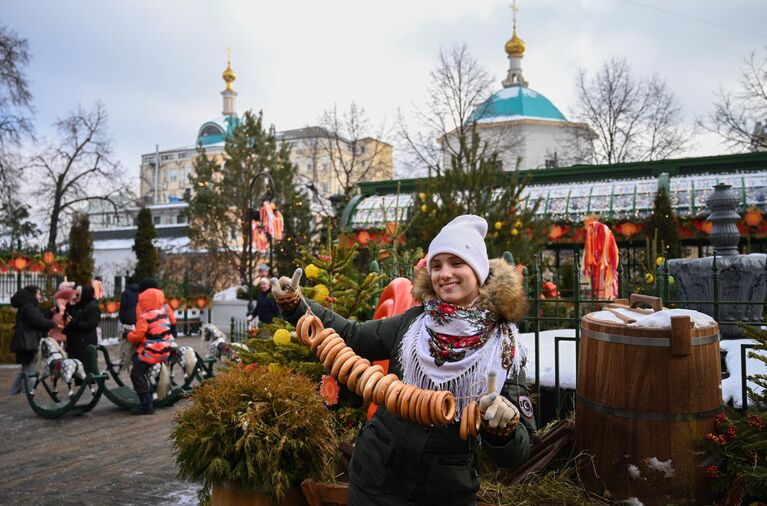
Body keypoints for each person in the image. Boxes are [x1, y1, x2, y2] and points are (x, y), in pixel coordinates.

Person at [272, 215, 535, 506]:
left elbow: (516, 454)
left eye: (456, 263)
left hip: (444, 492)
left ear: (479, 270)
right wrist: (296, 306)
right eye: (436, 265)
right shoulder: (414, 323)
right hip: (376, 479)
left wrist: (504, 431)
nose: (444, 274)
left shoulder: (505, 347)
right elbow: (352, 335)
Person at [127, 286, 175, 415]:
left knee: (136, 373)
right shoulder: (163, 314)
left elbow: (138, 336)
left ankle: (146, 404)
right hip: (165, 351)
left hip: (151, 353)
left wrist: (129, 335)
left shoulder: (145, 317)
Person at [9, 285, 57, 395]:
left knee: (25, 370)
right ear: (33, 295)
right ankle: (28, 395)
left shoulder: (27, 307)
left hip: (26, 344)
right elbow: (38, 322)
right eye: (38, 294)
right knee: (31, 371)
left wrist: (49, 313)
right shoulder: (29, 307)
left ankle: (13, 393)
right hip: (30, 344)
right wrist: (53, 324)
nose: (40, 296)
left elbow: (37, 318)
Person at [62, 285, 101, 376]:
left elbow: (91, 325)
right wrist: (69, 305)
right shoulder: (78, 304)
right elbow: (67, 315)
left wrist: (74, 321)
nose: (76, 297)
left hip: (85, 342)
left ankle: (88, 385)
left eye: (78, 295)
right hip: (75, 342)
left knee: (86, 368)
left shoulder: (93, 307)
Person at [49, 281, 77, 347]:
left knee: (57, 344)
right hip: (64, 324)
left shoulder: (59, 299)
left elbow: (60, 312)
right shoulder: (72, 299)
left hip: (60, 324)